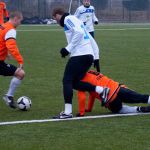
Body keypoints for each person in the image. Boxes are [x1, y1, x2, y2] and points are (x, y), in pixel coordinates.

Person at [52, 8, 108, 119]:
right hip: (88, 56)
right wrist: (96, 57)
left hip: (80, 55)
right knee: (75, 83)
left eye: (54, 18)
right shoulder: (76, 20)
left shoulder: (68, 18)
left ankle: (67, 113)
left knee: (67, 80)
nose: (55, 21)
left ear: (58, 15)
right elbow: (90, 39)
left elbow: (79, 32)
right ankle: (102, 90)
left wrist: (67, 49)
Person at [77, 70, 150, 116]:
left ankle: (139, 109)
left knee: (119, 110)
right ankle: (143, 104)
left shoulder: (80, 82)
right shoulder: (91, 71)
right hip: (118, 88)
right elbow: (92, 93)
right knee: (141, 97)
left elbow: (82, 97)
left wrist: (81, 112)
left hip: (111, 99)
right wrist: (89, 108)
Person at [0, 10, 24, 109]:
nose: (20, 23)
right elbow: (12, 46)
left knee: (20, 73)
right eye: (20, 21)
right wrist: (20, 60)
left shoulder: (2, 26)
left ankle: (9, 96)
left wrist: (6, 53)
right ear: (15, 19)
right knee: (20, 73)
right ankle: (9, 96)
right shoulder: (11, 30)